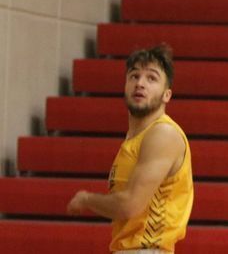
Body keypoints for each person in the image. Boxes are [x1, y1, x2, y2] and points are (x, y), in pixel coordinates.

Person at [67, 45, 193, 253]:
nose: (140, 84)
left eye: (151, 78)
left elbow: (130, 205)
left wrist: (86, 199)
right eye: (134, 76)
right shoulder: (134, 139)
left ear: (167, 95)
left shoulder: (162, 134)